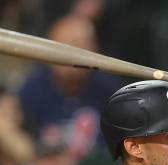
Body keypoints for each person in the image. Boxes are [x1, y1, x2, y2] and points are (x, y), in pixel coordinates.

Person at [18, 14, 117, 154]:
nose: (68, 56)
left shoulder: (109, 92)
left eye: (77, 45)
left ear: (94, 49)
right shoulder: (30, 92)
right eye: (61, 46)